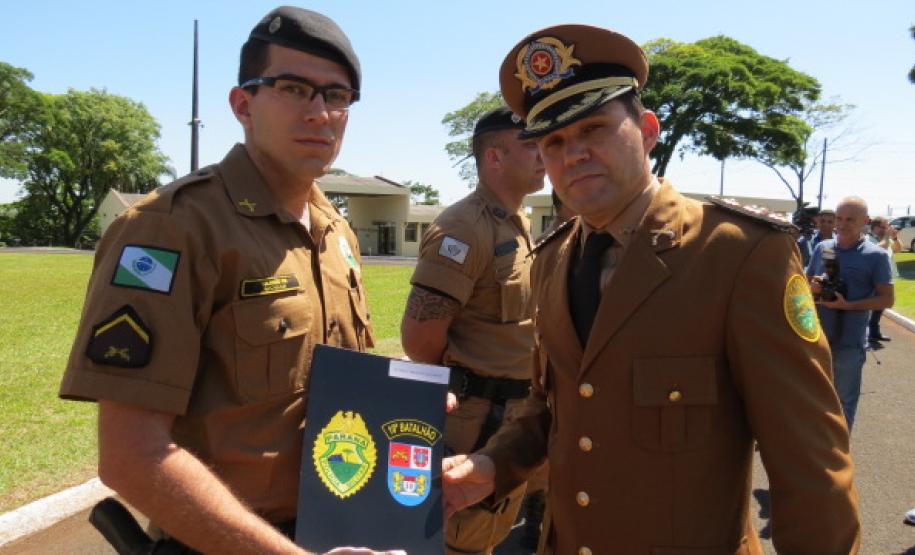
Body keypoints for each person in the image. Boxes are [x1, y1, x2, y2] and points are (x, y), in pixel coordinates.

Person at [442, 24, 860, 554]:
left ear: (646, 130)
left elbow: (809, 457)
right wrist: (492, 465)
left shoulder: (738, 253)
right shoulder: (550, 260)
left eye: (593, 128)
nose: (573, 154)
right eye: (554, 141)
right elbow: (551, 405)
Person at [58, 7, 400, 555]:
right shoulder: (171, 228)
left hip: (338, 529)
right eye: (293, 89)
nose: (319, 113)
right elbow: (132, 456)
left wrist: (399, 408)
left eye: (336, 96)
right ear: (243, 104)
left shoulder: (335, 231)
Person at [401, 107, 544, 554]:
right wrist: (467, 380)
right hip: (477, 419)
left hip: (515, 415)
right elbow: (420, 339)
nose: (544, 153)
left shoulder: (516, 222)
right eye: (531, 144)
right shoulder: (464, 227)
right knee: (460, 541)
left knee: (493, 536)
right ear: (495, 157)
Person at [808, 198, 895, 431]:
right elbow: (805, 285)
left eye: (850, 220)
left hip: (850, 342)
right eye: (839, 218)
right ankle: (816, 446)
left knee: (844, 400)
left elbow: (887, 299)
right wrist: (813, 287)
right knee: (814, 397)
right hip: (817, 340)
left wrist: (847, 305)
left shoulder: (876, 255)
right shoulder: (823, 248)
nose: (842, 225)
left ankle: (840, 448)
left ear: (865, 221)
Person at [866, 215, 901, 343]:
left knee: (880, 306)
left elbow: (898, 249)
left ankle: (874, 332)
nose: (886, 229)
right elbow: (880, 249)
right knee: (873, 306)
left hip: (885, 277)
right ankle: (868, 333)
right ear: (874, 228)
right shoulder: (868, 239)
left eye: (887, 227)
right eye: (883, 227)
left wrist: (895, 238)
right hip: (873, 279)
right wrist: (887, 236)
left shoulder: (886, 239)